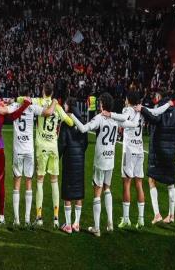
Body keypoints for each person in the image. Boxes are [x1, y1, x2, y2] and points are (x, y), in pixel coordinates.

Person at [70, 92, 138, 237]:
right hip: (111, 159)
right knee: (107, 188)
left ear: (102, 104)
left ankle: (96, 228)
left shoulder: (99, 118)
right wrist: (138, 112)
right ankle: (110, 222)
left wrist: (72, 116)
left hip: (100, 160)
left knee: (97, 192)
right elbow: (133, 124)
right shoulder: (115, 119)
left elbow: (83, 128)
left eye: (100, 103)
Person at [0, 95, 56, 227]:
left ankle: (16, 219)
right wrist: (55, 102)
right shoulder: (32, 107)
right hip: (29, 150)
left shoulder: (15, 106)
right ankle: (27, 219)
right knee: (28, 182)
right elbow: (49, 112)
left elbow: (2, 111)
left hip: (18, 150)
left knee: (17, 182)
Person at [105, 91, 170, 229]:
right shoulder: (142, 109)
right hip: (140, 150)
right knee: (139, 184)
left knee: (126, 184)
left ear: (129, 100)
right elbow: (157, 111)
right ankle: (141, 219)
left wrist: (111, 115)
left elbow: (123, 118)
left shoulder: (127, 109)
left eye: (126, 98)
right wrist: (168, 105)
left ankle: (126, 219)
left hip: (129, 151)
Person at [137, 89, 175, 224]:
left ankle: (157, 214)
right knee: (170, 183)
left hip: (158, 152)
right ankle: (171, 215)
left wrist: (142, 110)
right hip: (170, 153)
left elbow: (154, 119)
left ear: (159, 97)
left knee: (152, 180)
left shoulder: (159, 109)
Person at [32, 82, 74, 229]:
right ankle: (56, 219)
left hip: (41, 147)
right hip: (53, 148)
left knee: (40, 181)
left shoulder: (39, 102)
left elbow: (24, 100)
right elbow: (70, 122)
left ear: (43, 91)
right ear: (52, 92)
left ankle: (39, 217)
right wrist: (68, 115)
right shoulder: (58, 107)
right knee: (54, 181)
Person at [58, 98, 88, 234]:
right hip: (80, 159)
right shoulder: (82, 121)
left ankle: (68, 225)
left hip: (69, 159)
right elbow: (85, 142)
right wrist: (80, 153)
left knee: (68, 193)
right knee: (78, 191)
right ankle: (77, 223)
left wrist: (58, 157)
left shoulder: (66, 122)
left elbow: (62, 143)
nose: (64, 106)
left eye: (65, 104)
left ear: (69, 106)